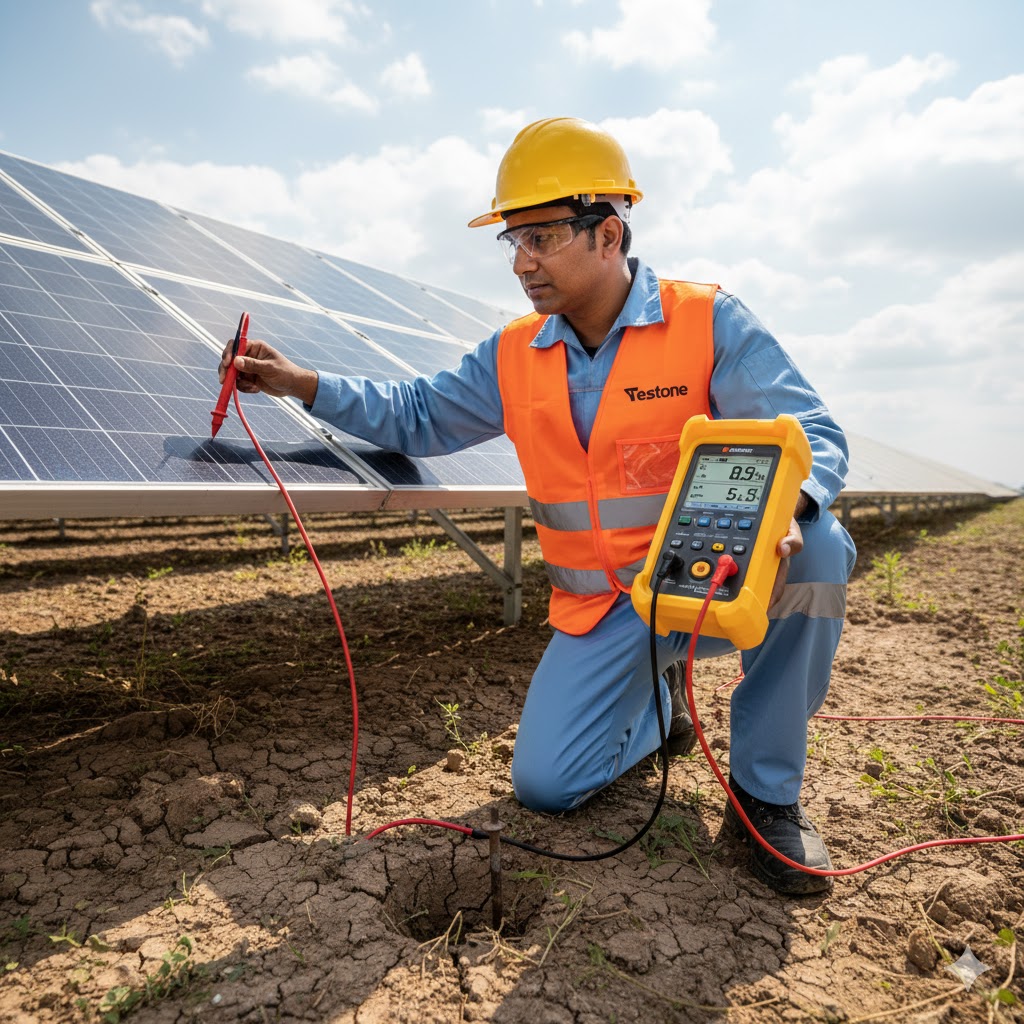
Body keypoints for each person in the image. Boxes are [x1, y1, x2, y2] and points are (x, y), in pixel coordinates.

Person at [219, 116, 857, 896]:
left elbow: (814, 431)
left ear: (608, 234)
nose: (521, 263)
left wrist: (790, 505)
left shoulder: (708, 321)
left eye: (543, 237)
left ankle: (764, 797)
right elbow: (416, 413)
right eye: (512, 242)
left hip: (701, 585)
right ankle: (656, 715)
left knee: (821, 550)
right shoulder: (514, 352)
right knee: (548, 787)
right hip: (605, 614)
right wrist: (302, 383)